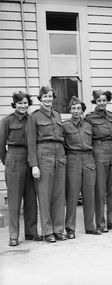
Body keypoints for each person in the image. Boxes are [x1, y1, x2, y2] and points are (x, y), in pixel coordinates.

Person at [0, 92, 42, 246]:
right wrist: (8, 161)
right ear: (14, 105)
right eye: (20, 104)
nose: (23, 106)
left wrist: (34, 163)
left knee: (31, 198)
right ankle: (13, 235)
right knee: (14, 200)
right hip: (14, 158)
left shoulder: (31, 119)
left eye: (25, 103)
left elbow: (33, 142)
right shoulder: (7, 121)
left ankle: (31, 232)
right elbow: (1, 145)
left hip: (30, 159)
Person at [26, 86, 66, 242]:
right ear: (40, 99)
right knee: (44, 195)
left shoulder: (57, 115)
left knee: (59, 194)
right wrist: (34, 164)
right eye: (45, 97)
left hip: (59, 154)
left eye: (50, 96)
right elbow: (31, 143)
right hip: (43, 154)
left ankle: (58, 229)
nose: (48, 99)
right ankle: (47, 231)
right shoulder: (34, 117)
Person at [85, 90, 112, 232]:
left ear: (107, 101)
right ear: (95, 102)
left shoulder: (111, 116)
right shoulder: (89, 118)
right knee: (100, 188)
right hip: (99, 149)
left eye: (104, 100)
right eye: (99, 100)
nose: (102, 103)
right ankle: (101, 223)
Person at [63, 96, 101, 238]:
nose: (76, 111)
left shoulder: (89, 126)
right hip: (73, 158)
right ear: (70, 110)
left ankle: (90, 227)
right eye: (73, 108)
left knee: (89, 194)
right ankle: (70, 228)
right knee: (72, 194)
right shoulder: (65, 126)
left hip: (88, 158)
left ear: (82, 110)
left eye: (79, 108)